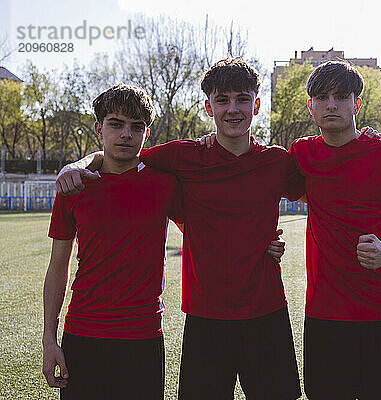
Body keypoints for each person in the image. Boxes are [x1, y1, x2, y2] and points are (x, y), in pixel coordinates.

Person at [55, 58, 304, 400]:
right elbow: (122, 154)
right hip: (205, 319)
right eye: (222, 100)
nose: (233, 109)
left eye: (243, 99)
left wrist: (362, 136)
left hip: (267, 313)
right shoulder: (181, 158)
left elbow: (326, 181)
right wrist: (80, 163)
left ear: (257, 104)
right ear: (208, 107)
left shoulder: (278, 161)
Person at [288, 61, 381, 400]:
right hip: (326, 316)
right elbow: (255, 182)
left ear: (357, 104)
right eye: (322, 97)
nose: (331, 104)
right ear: (312, 107)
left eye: (341, 96)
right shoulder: (302, 153)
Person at [42, 84, 181, 399]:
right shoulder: (73, 187)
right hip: (83, 334)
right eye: (116, 124)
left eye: (136, 127)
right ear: (98, 128)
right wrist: (50, 342)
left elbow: (208, 231)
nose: (125, 134)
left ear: (146, 134)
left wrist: (262, 242)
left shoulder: (165, 184)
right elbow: (57, 268)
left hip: (143, 337)